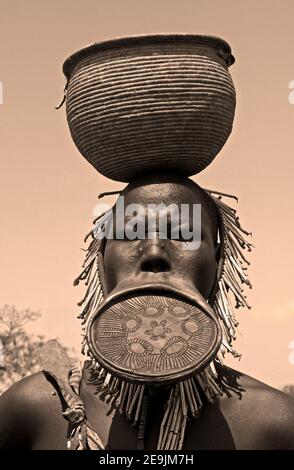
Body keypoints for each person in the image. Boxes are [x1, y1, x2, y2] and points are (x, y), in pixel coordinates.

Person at [1, 172, 294, 450]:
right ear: (102, 263)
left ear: (218, 264)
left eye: (183, 234)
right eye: (129, 234)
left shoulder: (274, 425)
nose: (154, 252)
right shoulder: (31, 412)